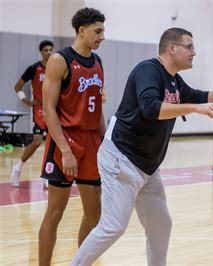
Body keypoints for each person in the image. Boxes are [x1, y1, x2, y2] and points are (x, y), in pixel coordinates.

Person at [70, 27, 213, 266]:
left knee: (161, 223)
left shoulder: (174, 81)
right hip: (121, 158)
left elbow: (199, 95)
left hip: (148, 168)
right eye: (189, 47)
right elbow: (150, 108)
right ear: (172, 48)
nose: (194, 52)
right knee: (113, 226)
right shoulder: (148, 70)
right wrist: (193, 108)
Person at [38, 7, 106, 266]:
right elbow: (48, 109)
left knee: (94, 212)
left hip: (92, 142)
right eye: (97, 31)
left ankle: (81, 262)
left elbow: (97, 108)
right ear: (82, 30)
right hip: (65, 139)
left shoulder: (98, 61)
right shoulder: (60, 60)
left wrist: (106, 143)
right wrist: (65, 150)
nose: (102, 37)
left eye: (103, 31)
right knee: (55, 212)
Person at [10, 40, 54, 189]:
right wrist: (26, 100)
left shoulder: (57, 68)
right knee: (36, 142)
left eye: (50, 50)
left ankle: (48, 175)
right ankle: (17, 168)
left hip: (54, 110)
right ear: (41, 52)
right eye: (46, 50)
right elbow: (18, 87)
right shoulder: (34, 68)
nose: (49, 52)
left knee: (53, 143)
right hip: (40, 110)